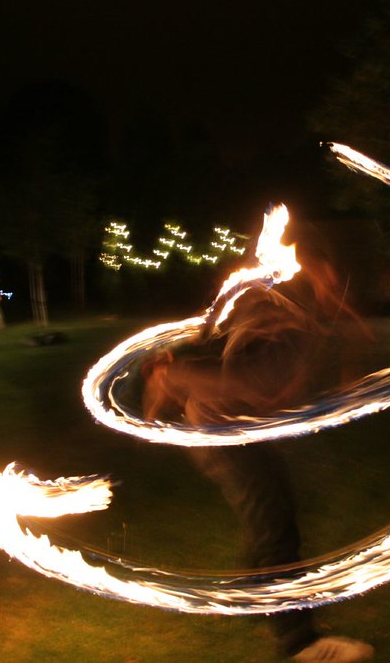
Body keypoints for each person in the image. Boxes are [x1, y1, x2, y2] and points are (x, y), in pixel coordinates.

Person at [141, 246, 374, 663]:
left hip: (242, 428)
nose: (335, 290)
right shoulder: (279, 316)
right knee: (274, 527)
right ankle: (300, 643)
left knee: (273, 514)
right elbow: (252, 382)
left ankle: (250, 594)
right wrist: (172, 377)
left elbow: (241, 358)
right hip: (222, 435)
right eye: (329, 281)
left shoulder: (293, 317)